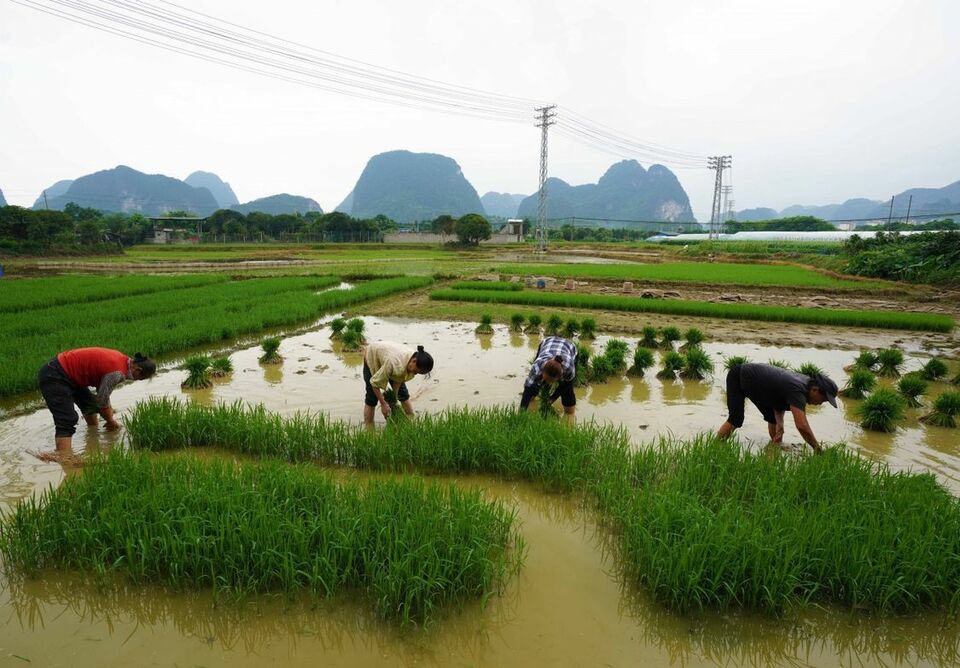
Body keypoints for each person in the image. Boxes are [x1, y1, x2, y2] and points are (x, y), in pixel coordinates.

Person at [37, 347, 157, 455]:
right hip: (55, 375)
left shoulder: (123, 360)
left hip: (67, 372)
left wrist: (107, 413)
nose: (135, 380)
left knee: (89, 405)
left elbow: (101, 396)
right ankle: (64, 458)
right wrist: (110, 421)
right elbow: (102, 400)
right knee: (67, 420)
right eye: (140, 378)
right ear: (138, 370)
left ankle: (92, 435)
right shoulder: (117, 373)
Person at [717, 362, 838, 453]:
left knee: (773, 420)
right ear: (815, 390)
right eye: (823, 400)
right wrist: (817, 449)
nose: (820, 403)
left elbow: (779, 398)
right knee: (736, 418)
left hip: (759, 386)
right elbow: (802, 426)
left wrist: (780, 423)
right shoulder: (798, 390)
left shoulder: (805, 386)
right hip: (739, 377)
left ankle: (773, 451)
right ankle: (715, 447)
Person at [362, 342, 434, 424]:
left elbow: (399, 379)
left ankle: (411, 419)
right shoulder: (393, 362)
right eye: (415, 371)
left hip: (390, 359)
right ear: (414, 361)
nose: (414, 374)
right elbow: (374, 383)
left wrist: (394, 399)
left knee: (403, 394)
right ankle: (369, 427)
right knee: (372, 397)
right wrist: (383, 404)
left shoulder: (410, 361)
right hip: (372, 355)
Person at [520, 335, 578, 415]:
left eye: (551, 381)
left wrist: (552, 398)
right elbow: (528, 388)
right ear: (542, 371)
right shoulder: (537, 366)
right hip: (547, 342)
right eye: (546, 379)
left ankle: (569, 415)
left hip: (569, 346)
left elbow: (566, 385)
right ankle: (535, 394)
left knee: (567, 391)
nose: (548, 383)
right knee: (534, 386)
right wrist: (521, 413)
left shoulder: (568, 368)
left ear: (560, 376)